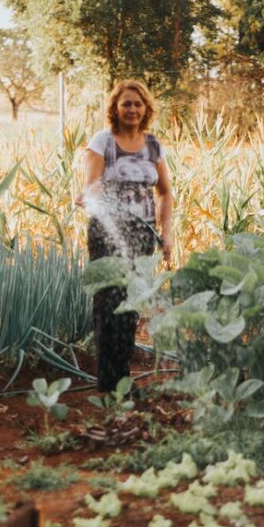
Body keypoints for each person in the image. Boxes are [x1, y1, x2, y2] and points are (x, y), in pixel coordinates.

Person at [76, 78, 173, 393]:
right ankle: (109, 382)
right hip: (109, 231)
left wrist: (166, 232)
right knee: (109, 303)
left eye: (137, 104)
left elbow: (166, 193)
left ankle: (123, 380)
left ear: (146, 109)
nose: (132, 109)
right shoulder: (103, 141)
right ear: (115, 109)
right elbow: (92, 182)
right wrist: (90, 194)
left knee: (132, 303)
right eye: (126, 103)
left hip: (142, 235)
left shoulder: (153, 145)